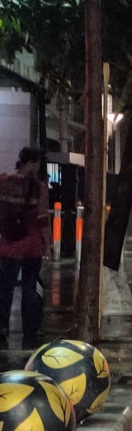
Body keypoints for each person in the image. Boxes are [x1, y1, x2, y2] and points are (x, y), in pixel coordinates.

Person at [0, 146, 50, 348]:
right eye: (37, 162)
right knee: (32, 288)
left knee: (5, 288)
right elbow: (43, 219)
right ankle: (31, 328)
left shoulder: (3, 182)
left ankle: (2, 326)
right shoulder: (39, 188)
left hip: (7, 246)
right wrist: (48, 245)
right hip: (31, 247)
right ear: (33, 163)